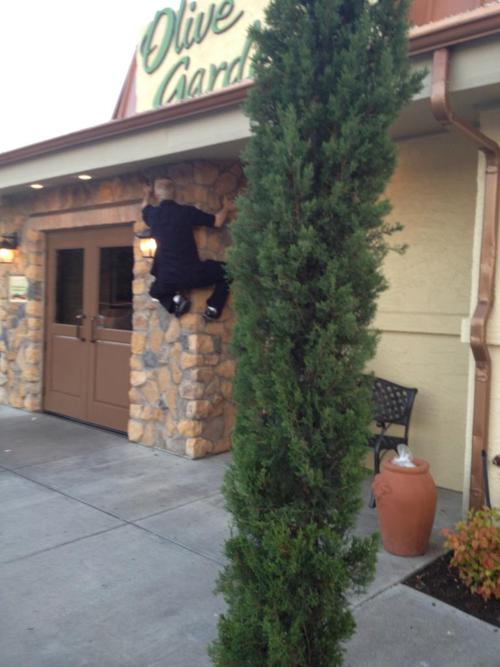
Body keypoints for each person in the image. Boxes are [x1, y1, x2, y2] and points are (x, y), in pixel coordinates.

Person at [141, 178, 234, 320]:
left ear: (157, 194)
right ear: (174, 193)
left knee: (154, 291)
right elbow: (217, 221)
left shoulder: (153, 215)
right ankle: (213, 308)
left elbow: (144, 207)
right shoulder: (186, 212)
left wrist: (147, 194)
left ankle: (177, 300)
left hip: (167, 279)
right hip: (192, 274)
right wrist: (226, 207)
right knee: (228, 272)